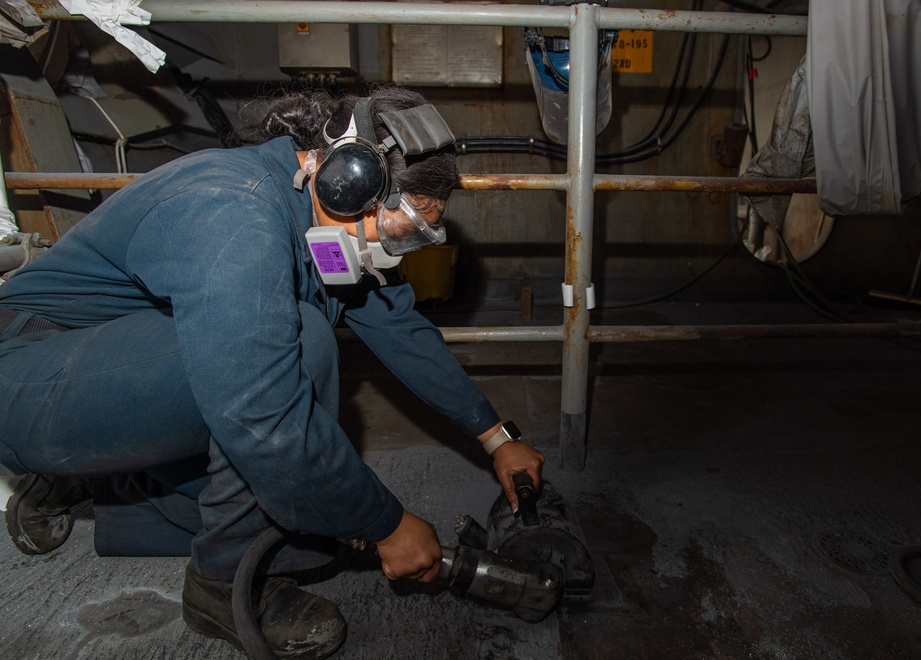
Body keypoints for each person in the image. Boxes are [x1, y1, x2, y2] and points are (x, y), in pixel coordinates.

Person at [0, 84, 545, 658]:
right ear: (346, 177)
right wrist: (384, 522)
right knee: (300, 350)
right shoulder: (232, 214)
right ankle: (221, 583)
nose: (391, 251)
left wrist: (495, 438)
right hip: (29, 370)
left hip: (121, 362)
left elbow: (397, 324)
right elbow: (262, 411)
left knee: (297, 506)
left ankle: (104, 475)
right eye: (398, 228)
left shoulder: (315, 213)